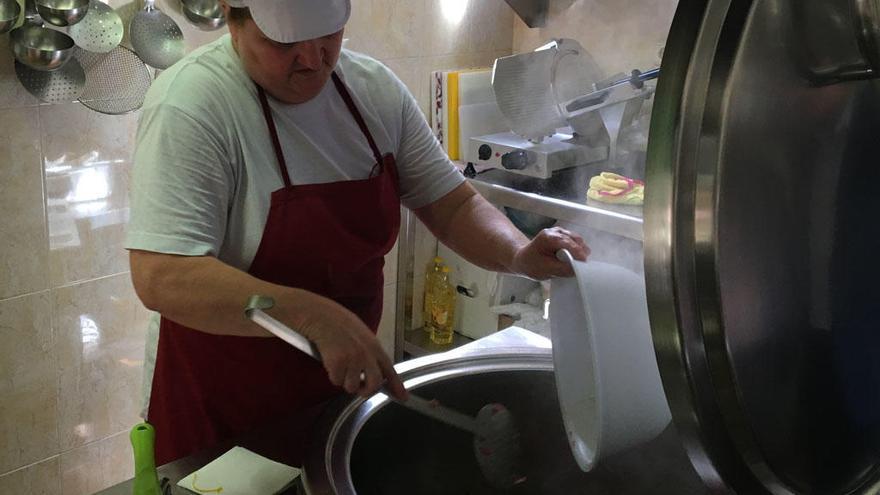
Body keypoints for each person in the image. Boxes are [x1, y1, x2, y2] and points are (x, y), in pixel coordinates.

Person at [126, 0, 589, 466]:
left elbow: (453, 205)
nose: (312, 59)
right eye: (284, 42)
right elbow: (162, 275)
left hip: (339, 398)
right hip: (223, 419)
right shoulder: (193, 104)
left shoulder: (374, 91)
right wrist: (310, 316)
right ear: (232, 16)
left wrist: (518, 253)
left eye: (328, 34)